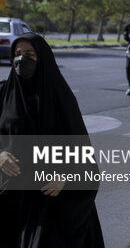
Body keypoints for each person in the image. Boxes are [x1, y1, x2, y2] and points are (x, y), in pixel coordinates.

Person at [0, 33, 105, 247]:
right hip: (11, 198)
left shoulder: (60, 98)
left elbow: (83, 154)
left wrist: (67, 179)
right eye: (17, 54)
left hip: (51, 201)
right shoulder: (3, 93)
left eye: (29, 54)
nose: (22, 60)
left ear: (43, 58)